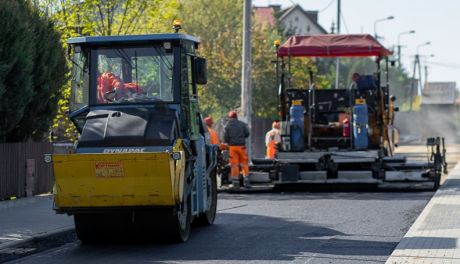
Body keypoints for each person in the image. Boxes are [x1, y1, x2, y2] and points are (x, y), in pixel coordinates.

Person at [223, 111, 250, 189]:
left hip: (232, 148)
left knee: (234, 165)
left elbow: (225, 138)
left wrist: (229, 141)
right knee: (244, 164)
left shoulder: (227, 126)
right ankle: (246, 182)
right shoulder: (242, 124)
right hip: (241, 147)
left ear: (230, 117)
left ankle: (235, 183)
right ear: (236, 117)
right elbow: (247, 134)